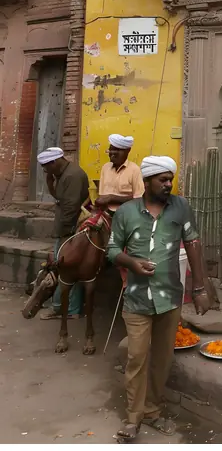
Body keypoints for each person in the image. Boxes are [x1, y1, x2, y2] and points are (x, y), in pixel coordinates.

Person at [107, 155, 214, 443]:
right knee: (137, 357)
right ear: (147, 182)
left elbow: (193, 244)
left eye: (170, 179)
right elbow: (112, 249)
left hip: (170, 298)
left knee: (163, 359)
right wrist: (131, 263)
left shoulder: (181, 207)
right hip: (137, 299)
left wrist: (200, 289)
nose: (168, 184)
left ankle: (152, 412)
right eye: (162, 180)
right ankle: (133, 419)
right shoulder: (126, 212)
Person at [37, 147, 90, 321]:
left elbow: (70, 208)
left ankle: (67, 309)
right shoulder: (63, 174)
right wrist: (49, 180)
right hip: (65, 228)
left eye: (46, 166)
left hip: (69, 229)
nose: (45, 170)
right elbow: (59, 197)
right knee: (61, 268)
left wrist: (66, 233)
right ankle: (63, 306)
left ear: (54, 162)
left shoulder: (71, 176)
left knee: (65, 269)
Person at [95, 134, 144, 213]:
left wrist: (112, 198)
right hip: (105, 214)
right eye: (110, 150)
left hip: (126, 215)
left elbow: (139, 199)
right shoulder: (105, 168)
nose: (112, 153)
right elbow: (102, 195)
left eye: (117, 150)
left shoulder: (135, 170)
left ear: (127, 151)